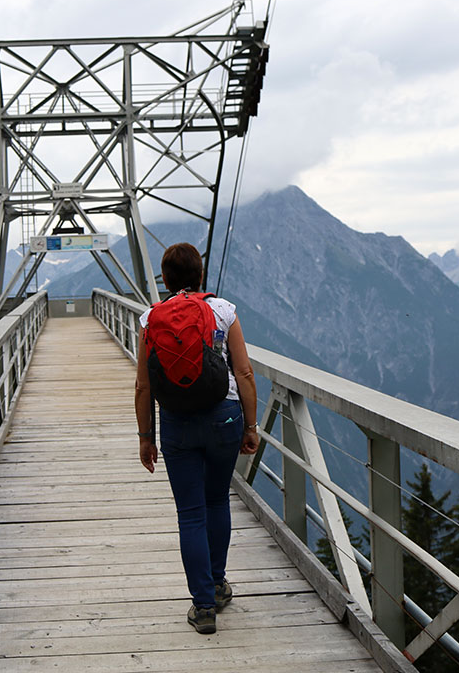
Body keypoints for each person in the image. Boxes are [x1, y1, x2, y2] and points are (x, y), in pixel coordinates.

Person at [134, 242, 259, 634]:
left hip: (177, 422)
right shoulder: (224, 311)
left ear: (165, 280)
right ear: (200, 276)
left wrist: (145, 437)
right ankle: (219, 583)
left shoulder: (150, 318)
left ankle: (203, 606)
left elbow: (142, 385)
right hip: (225, 418)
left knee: (190, 513)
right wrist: (250, 427)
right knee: (217, 500)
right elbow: (245, 374)